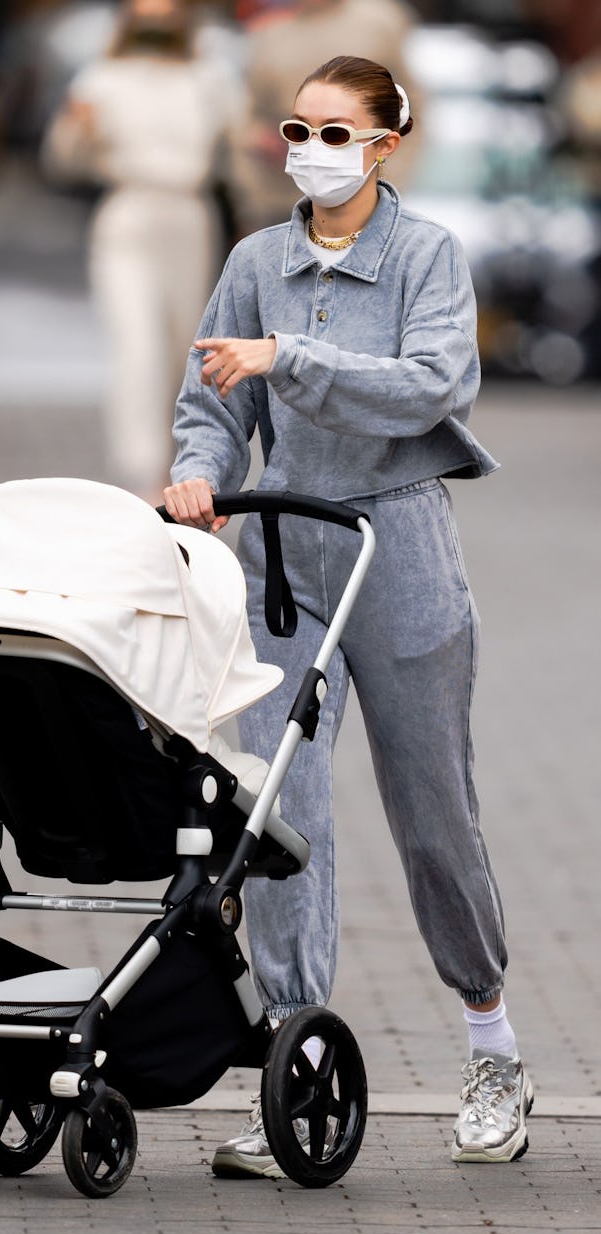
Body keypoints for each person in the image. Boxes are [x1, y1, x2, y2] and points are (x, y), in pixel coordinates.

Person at [163, 55, 533, 1173]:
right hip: (286, 551)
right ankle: (295, 1061)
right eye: (296, 128)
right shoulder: (255, 261)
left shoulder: (426, 257)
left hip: (399, 546)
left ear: (385, 144)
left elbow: (433, 387)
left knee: (433, 811)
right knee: (282, 816)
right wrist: (196, 472)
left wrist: (294, 357)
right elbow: (211, 398)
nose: (307, 148)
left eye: (335, 131)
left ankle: (492, 1046)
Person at [45, 0, 243, 502]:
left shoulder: (207, 77)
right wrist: (75, 127)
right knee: (138, 346)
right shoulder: (102, 78)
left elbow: (240, 145)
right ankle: (141, 472)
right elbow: (61, 160)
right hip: (129, 211)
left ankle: (182, 467)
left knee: (184, 349)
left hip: (189, 215)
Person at [231, 0, 422, 233]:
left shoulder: (380, 23)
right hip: (283, 202)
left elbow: (411, 109)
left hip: (365, 201)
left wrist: (390, 177)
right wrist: (260, 140)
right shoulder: (269, 35)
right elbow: (245, 120)